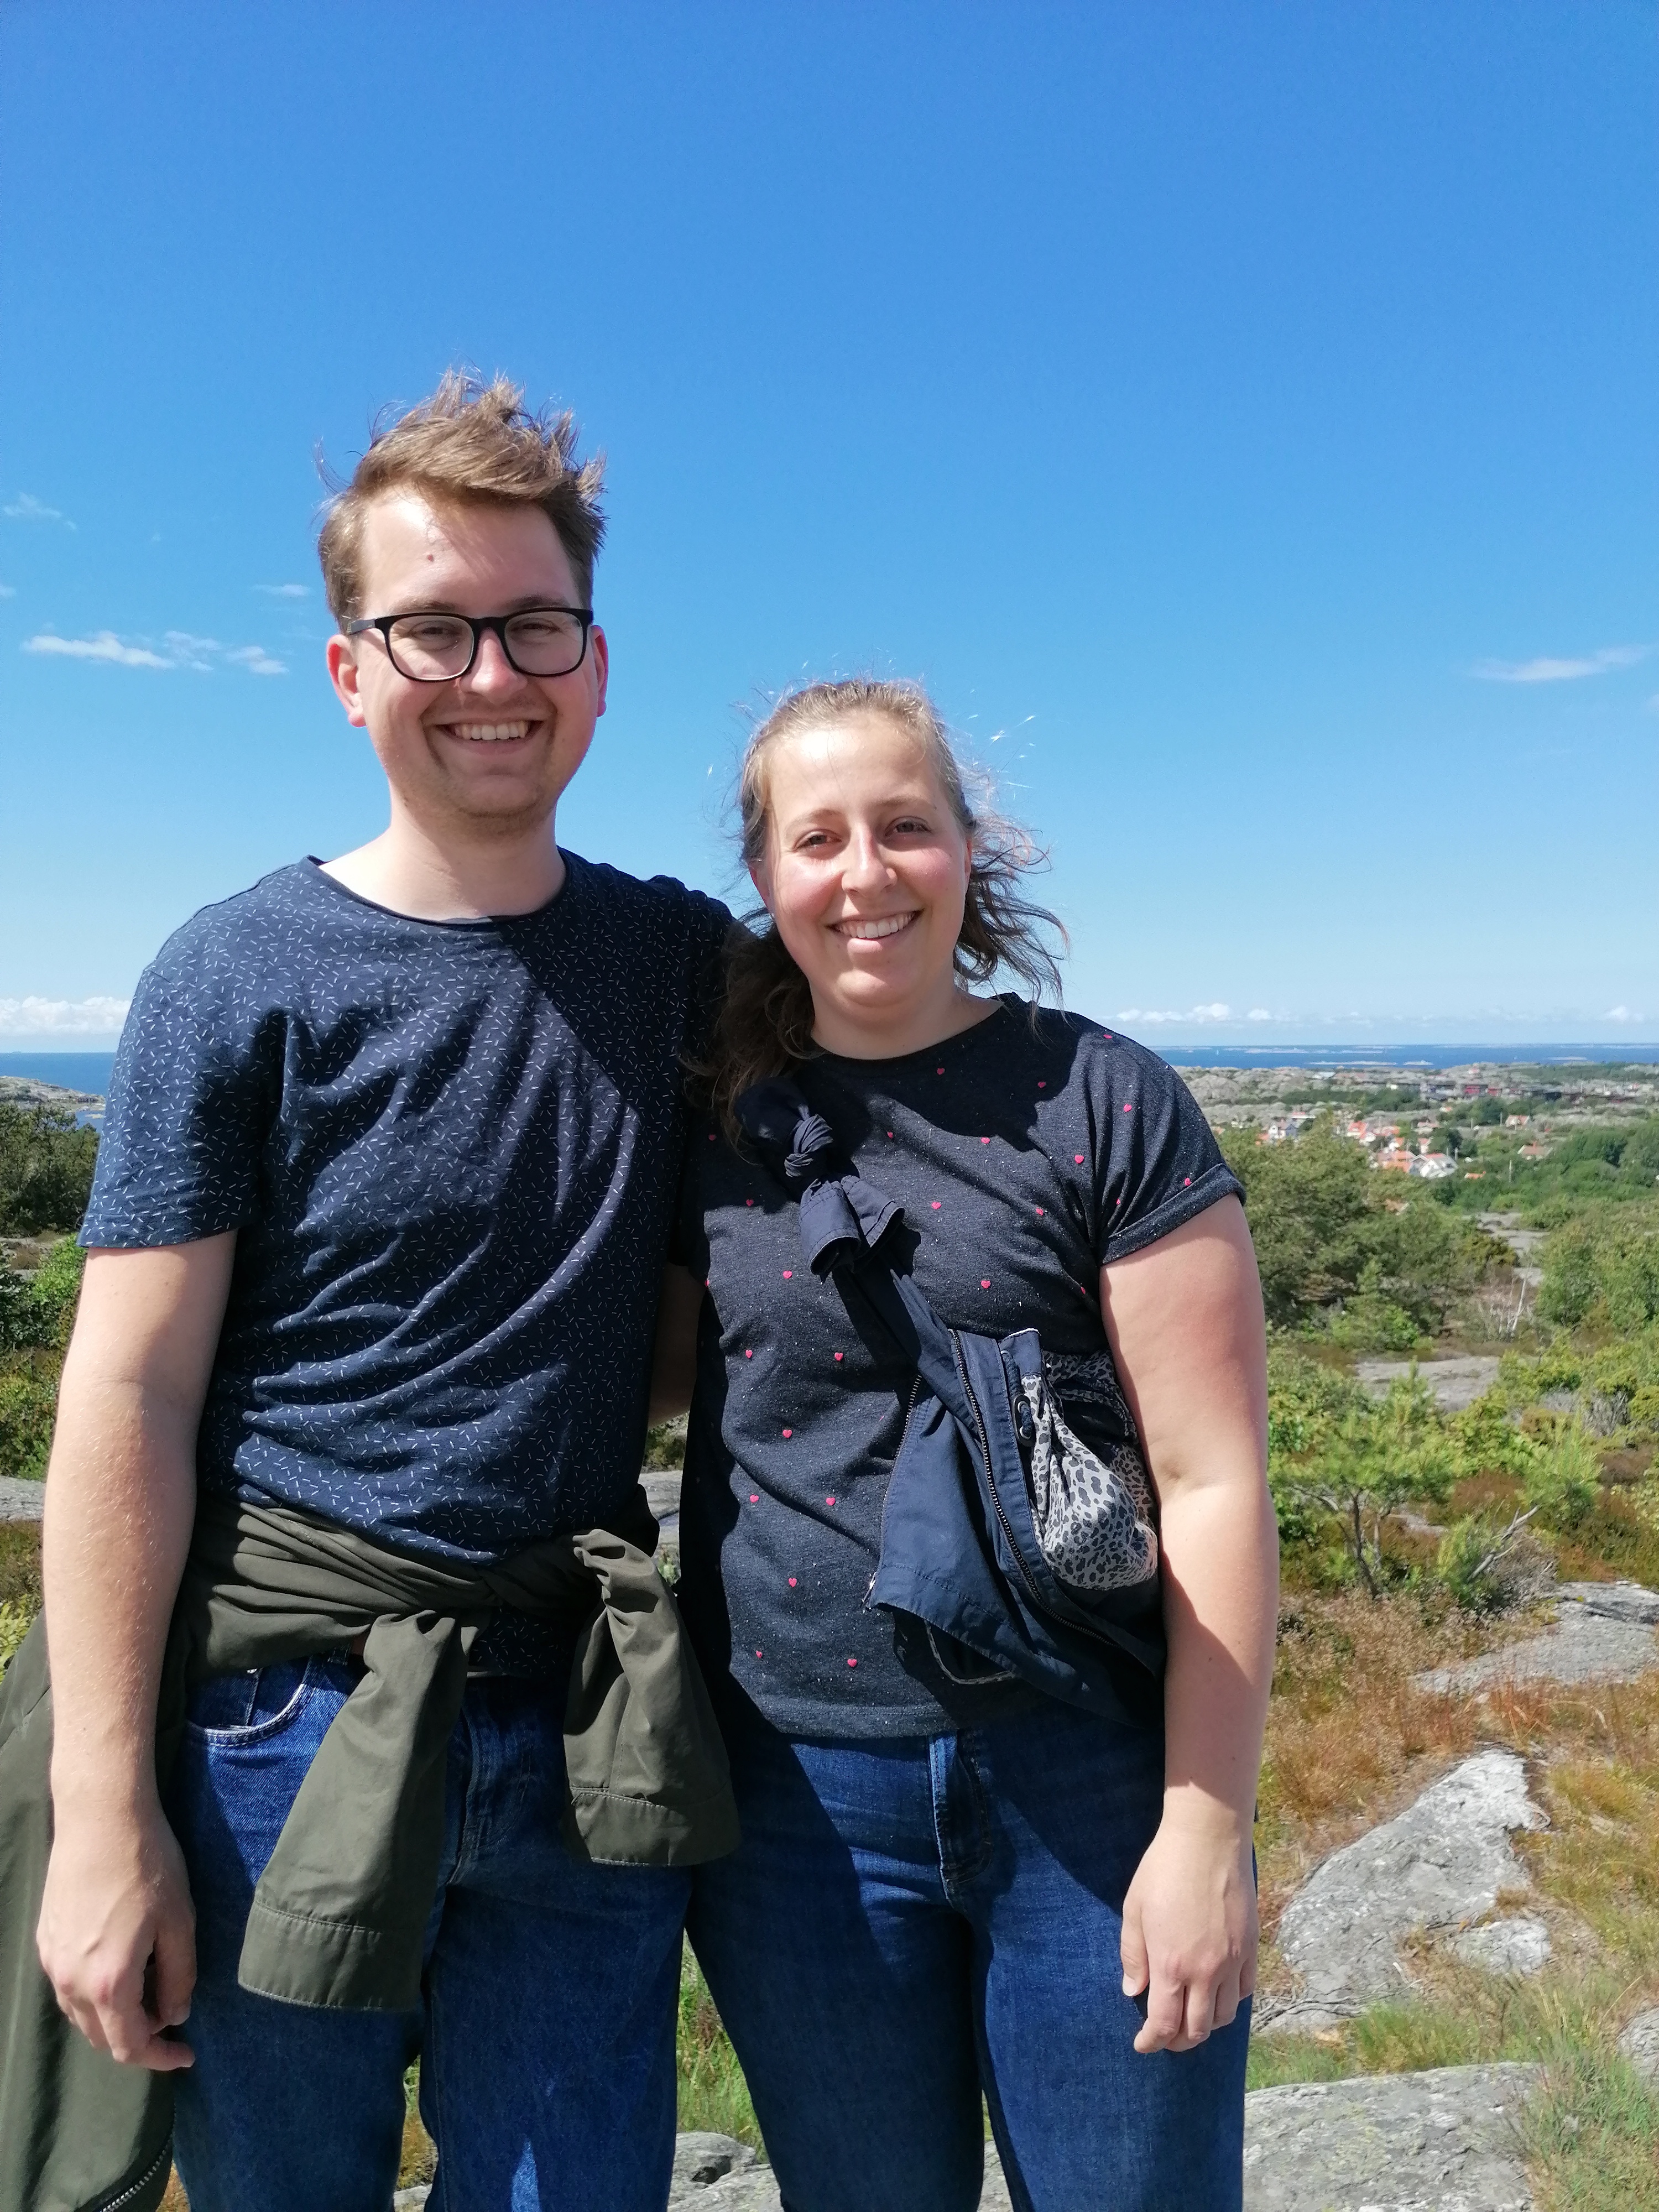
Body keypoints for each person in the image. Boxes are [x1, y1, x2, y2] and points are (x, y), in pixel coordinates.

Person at [27, 374, 734, 2212]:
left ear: (597, 664)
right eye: (433, 628)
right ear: (351, 671)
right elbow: (128, 1393)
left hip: (581, 1713)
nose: (491, 674)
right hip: (279, 1727)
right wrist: (103, 1816)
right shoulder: (237, 971)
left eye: (534, 626)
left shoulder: (677, 961)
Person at [655, 679, 1278, 2212]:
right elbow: (644, 1384)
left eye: (905, 826)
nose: (865, 873)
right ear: (766, 875)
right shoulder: (711, 1125)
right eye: (818, 839)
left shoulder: (1102, 1098)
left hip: (1084, 1772)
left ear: (968, 850)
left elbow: (1212, 1480)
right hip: (793, 1802)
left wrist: (1205, 1828)